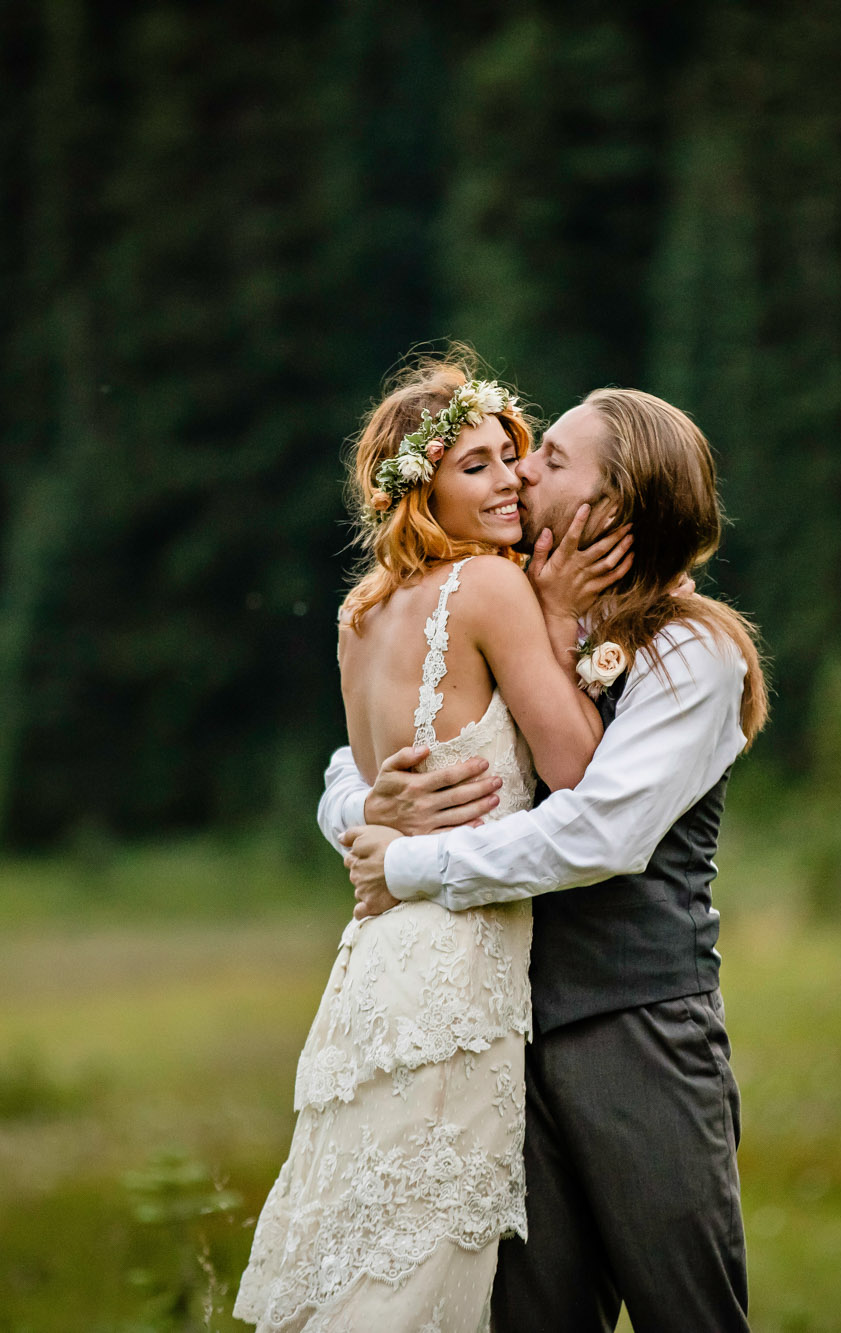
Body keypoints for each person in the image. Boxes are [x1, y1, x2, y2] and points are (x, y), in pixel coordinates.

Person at [331, 387, 770, 1333]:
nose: (525, 468)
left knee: (686, 1311)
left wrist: (407, 865)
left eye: (553, 458)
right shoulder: (518, 612)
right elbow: (378, 750)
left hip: (638, 1027)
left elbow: (601, 832)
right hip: (508, 1036)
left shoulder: (690, 654)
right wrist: (370, 806)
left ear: (612, 508)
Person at [234, 355, 633, 1333]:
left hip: (371, 967)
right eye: (474, 466)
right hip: (455, 973)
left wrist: (366, 823)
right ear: (419, 489)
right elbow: (578, 768)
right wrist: (565, 609)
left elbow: (373, 792)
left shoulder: (357, 614)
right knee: (423, 1280)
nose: (506, 480)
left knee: (360, 1252)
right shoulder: (489, 594)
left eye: (510, 457)